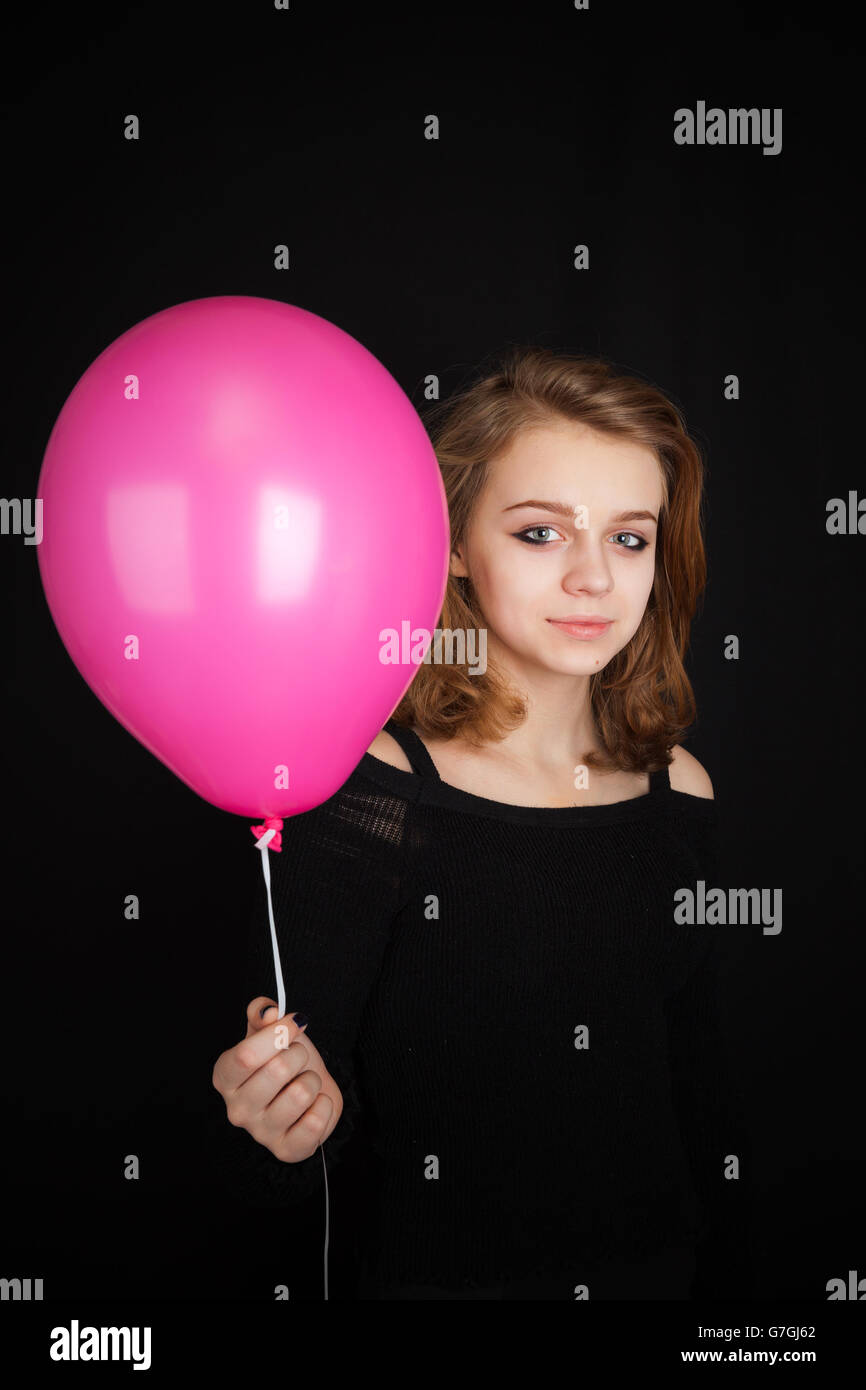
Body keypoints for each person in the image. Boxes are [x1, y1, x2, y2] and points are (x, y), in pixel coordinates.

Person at [211, 345, 753, 1300]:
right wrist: (282, 1122)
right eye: (542, 534)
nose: (594, 579)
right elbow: (297, 1141)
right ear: (456, 542)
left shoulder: (681, 790)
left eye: (629, 539)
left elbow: (700, 1104)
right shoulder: (374, 793)